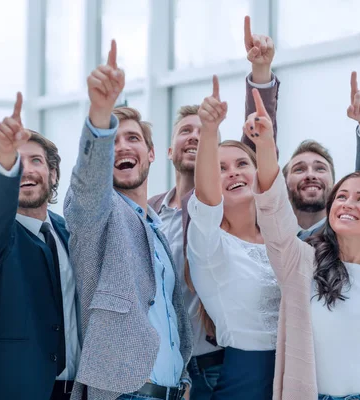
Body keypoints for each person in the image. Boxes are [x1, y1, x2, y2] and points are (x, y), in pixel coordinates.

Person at [147, 16, 279, 398]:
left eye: (203, 129)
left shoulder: (243, 212)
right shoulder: (150, 216)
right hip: (174, 369)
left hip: (221, 358)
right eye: (185, 131)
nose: (196, 135)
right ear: (169, 152)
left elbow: (258, 145)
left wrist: (260, 71)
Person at [65, 40, 192, 400]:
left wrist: (184, 383)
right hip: (123, 393)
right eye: (114, 140)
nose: (122, 147)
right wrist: (100, 116)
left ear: (151, 154)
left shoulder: (157, 227)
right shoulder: (97, 212)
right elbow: (87, 186)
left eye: (133, 138)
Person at [250, 88, 360, 400]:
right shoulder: (300, 262)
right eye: (341, 197)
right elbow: (273, 211)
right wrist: (264, 146)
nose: (347, 203)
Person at [0, 93, 82, 400]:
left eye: (36, 161)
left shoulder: (70, 233)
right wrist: (5, 159)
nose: (26, 170)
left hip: (77, 390)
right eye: (17, 163)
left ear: (53, 174)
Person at [185, 76, 279, 400]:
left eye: (242, 163)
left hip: (295, 370)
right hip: (246, 377)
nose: (234, 172)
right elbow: (207, 199)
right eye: (221, 168)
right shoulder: (208, 244)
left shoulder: (280, 239)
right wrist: (210, 130)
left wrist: (265, 142)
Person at [283, 71, 360, 240]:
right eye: (299, 169)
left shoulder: (349, 230)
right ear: (283, 185)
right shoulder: (267, 233)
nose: (310, 175)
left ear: (334, 187)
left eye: (320, 168)